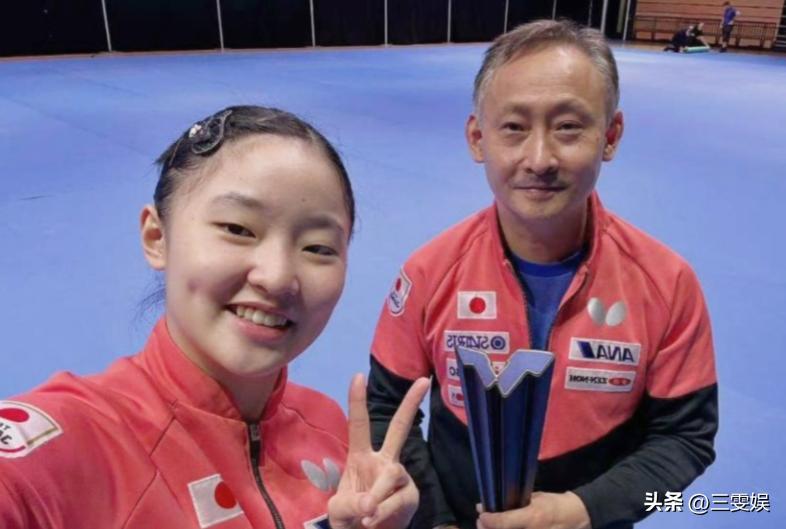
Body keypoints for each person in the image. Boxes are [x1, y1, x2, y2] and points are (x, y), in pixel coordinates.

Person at [0, 105, 429, 529]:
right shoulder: (71, 443)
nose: (278, 277)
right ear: (157, 237)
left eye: (318, 248)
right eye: (238, 229)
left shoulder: (329, 428)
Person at [367, 20, 718, 529]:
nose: (540, 159)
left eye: (568, 127)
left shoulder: (667, 284)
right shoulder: (429, 274)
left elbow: (686, 438)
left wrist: (584, 512)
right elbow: (385, 411)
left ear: (611, 136)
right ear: (477, 138)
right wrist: (436, 519)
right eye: (514, 127)